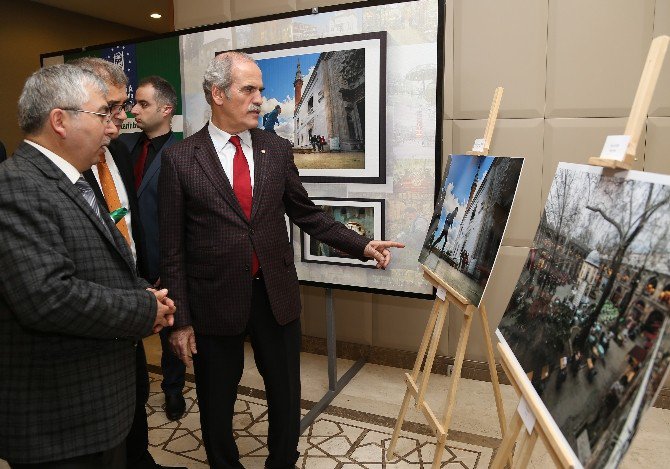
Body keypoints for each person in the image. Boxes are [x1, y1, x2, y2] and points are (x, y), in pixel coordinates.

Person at [159, 51, 404, 469]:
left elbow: (306, 213)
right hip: (213, 301)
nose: (259, 99)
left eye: (261, 90)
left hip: (275, 294)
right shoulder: (181, 158)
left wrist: (361, 245)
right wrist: (180, 321)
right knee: (217, 398)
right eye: (248, 89)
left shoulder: (276, 148)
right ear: (218, 94)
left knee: (285, 393)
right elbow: (172, 247)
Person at [0, 64, 175, 468]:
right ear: (59, 121)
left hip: (96, 410)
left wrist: (142, 290)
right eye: (102, 115)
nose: (113, 127)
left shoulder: (70, 181)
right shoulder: (16, 186)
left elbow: (101, 263)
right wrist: (143, 307)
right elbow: (47, 297)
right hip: (59, 421)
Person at [70, 58, 185, 469]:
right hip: (93, 319)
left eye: (128, 106)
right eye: (113, 108)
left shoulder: (115, 152)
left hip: (141, 283)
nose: (124, 118)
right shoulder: (51, 178)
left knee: (133, 396)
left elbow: (127, 219)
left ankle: (140, 454)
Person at [120, 76, 185, 422]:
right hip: (127, 258)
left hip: (166, 258)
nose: (134, 110)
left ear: (166, 109)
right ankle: (130, 392)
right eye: (134, 103)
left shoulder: (183, 152)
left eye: (143, 104)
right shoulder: (121, 148)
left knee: (171, 329)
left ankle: (173, 390)